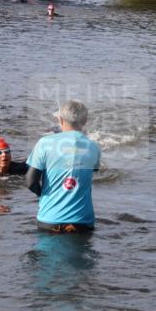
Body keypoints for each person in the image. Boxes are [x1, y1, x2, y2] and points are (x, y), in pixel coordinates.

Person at [24, 100, 101, 233]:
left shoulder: (44, 143)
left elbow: (30, 181)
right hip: (82, 221)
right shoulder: (94, 147)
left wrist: (44, 195)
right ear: (85, 121)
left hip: (50, 219)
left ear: (60, 119)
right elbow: (91, 171)